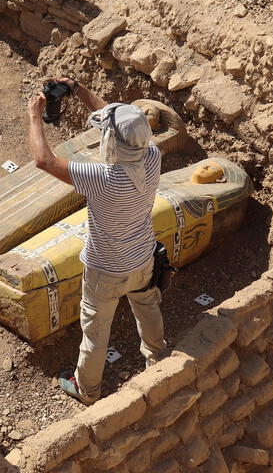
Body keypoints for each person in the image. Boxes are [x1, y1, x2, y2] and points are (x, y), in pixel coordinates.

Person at [27, 78, 166, 405]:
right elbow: (118, 122)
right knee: (147, 305)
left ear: (111, 142)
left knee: (95, 332)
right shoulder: (152, 156)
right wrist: (77, 89)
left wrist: (35, 116)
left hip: (105, 270)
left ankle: (87, 389)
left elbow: (43, 160)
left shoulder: (102, 178)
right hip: (143, 258)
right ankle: (159, 359)